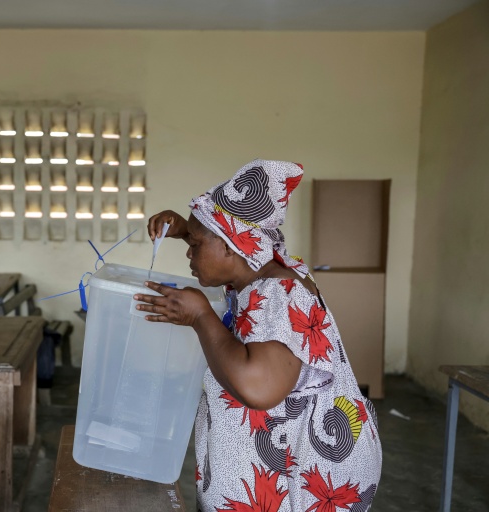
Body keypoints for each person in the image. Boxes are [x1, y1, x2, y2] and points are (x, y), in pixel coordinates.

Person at [135, 159, 382, 512]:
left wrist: (200, 316)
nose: (189, 252)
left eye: (196, 244)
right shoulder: (263, 271)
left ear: (232, 246)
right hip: (282, 465)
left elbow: (259, 389)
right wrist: (185, 229)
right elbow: (218, 238)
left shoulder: (278, 294)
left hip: (300, 483)